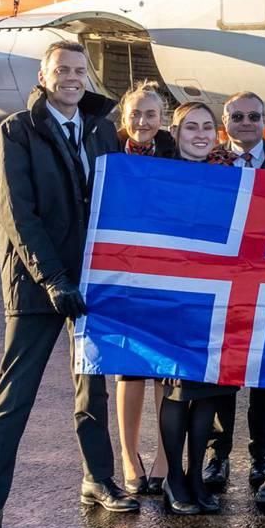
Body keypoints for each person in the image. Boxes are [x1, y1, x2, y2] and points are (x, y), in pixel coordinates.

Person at [0, 41, 135, 528]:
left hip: (92, 280)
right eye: (62, 69)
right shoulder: (17, 130)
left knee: (92, 390)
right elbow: (18, 215)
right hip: (38, 283)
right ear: (44, 75)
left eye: (79, 71)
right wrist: (54, 279)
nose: (72, 78)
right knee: (14, 397)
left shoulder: (101, 130)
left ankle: (97, 479)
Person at [202, 90, 265, 499]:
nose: (246, 122)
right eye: (238, 116)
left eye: (254, 115)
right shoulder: (209, 162)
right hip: (224, 282)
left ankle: (262, 454)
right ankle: (217, 454)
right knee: (223, 374)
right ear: (226, 121)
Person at [156, 101, 238, 514]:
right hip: (176, 299)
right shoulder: (160, 174)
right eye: (191, 127)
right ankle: (173, 477)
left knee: (209, 392)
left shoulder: (232, 178)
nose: (201, 134)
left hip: (219, 299)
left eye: (208, 126)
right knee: (179, 390)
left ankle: (194, 477)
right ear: (176, 132)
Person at [113, 80, 174, 495]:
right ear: (124, 118)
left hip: (168, 274)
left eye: (151, 114)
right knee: (129, 369)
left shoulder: (176, 154)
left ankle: (166, 457)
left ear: (162, 119)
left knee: (165, 371)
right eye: (135, 114)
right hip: (123, 274)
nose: (143, 121)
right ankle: (129, 456)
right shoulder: (109, 154)